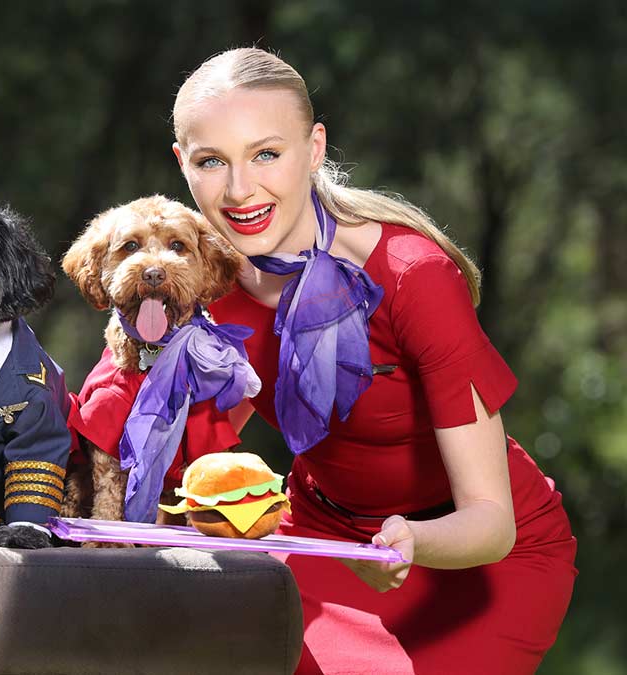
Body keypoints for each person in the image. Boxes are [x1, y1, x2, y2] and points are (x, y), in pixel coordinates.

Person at [171, 48, 576, 674]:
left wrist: (408, 542)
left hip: (480, 555)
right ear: (183, 166)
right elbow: (193, 458)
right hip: (322, 537)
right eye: (211, 161)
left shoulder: (413, 275)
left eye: (266, 154)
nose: (239, 189)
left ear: (315, 147)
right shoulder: (205, 292)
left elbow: (491, 521)